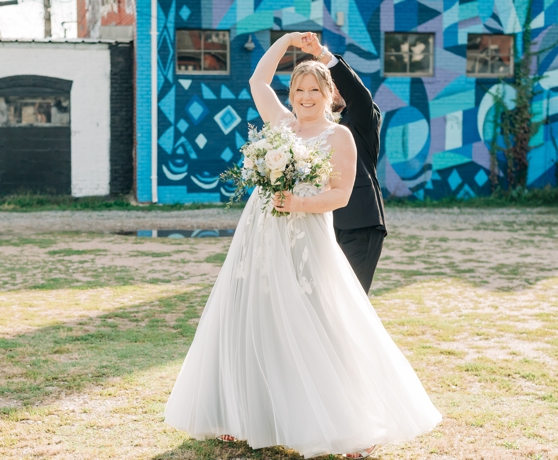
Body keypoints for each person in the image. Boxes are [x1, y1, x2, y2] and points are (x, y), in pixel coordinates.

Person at [163, 32, 441, 459]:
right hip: (259, 238)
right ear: (290, 96)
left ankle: (353, 425)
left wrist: (297, 202)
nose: (305, 97)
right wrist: (289, 41)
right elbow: (258, 82)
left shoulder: (339, 137)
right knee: (252, 320)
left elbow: (341, 195)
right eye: (298, 90)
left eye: (315, 89)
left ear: (330, 95)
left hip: (307, 237)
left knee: (324, 325)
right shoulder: (280, 126)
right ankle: (242, 416)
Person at [300, 33, 386, 294]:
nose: (329, 88)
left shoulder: (362, 117)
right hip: (320, 222)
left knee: (350, 300)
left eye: (330, 83)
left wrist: (321, 54)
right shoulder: (313, 124)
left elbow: (355, 91)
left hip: (359, 224)